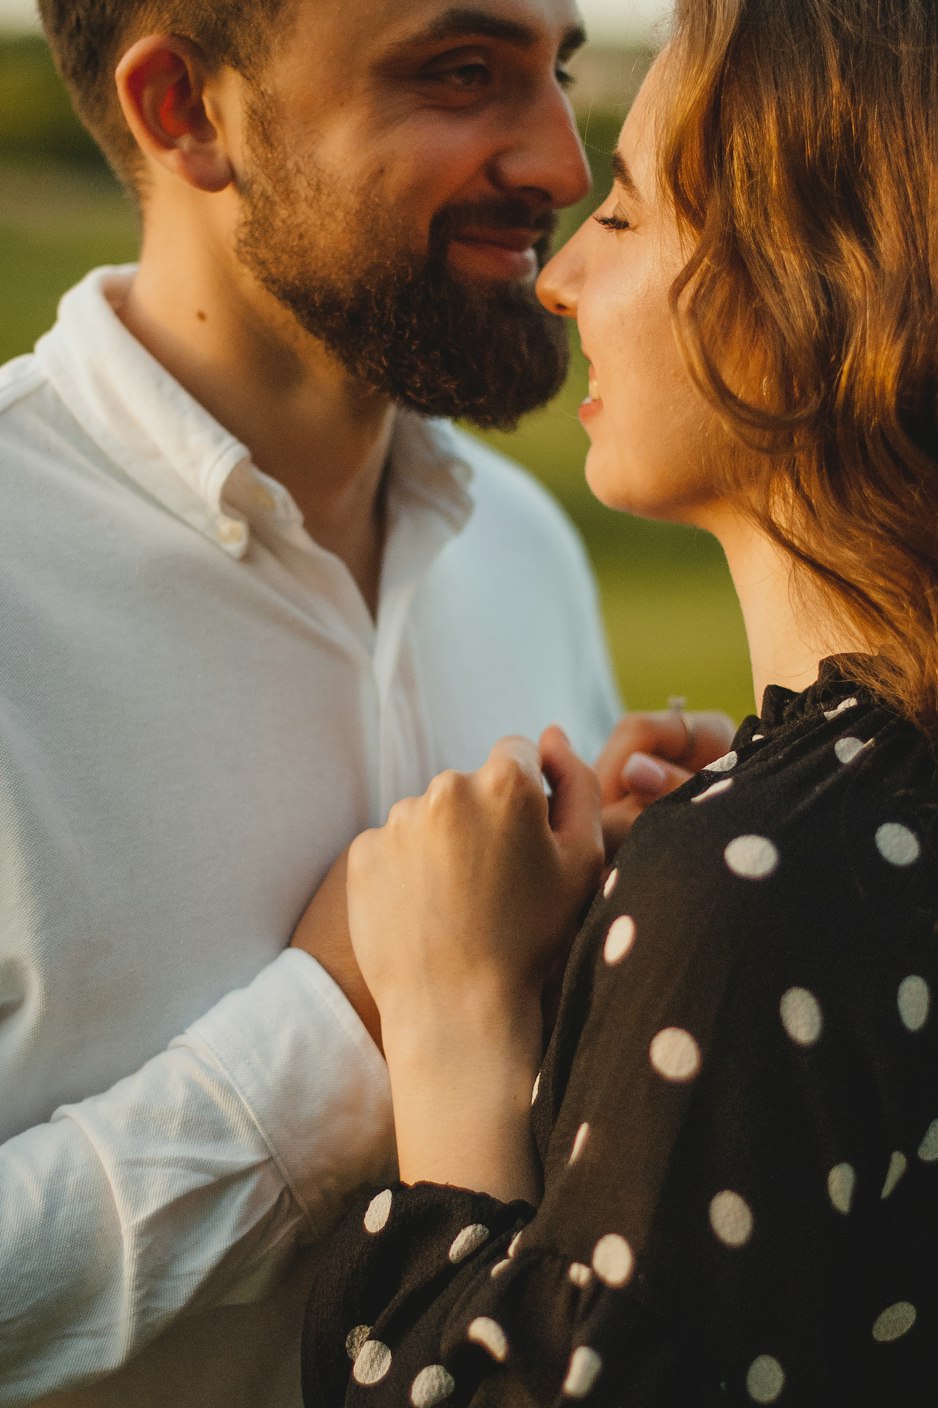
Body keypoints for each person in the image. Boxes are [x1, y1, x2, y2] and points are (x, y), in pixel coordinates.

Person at [0, 1, 734, 1405]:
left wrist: (621, 930)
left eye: (557, 70)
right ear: (185, 113)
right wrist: (341, 1023)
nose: (560, 163)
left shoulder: (524, 547)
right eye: (462, 75)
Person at [301, 0, 938, 1403]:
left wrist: (456, 1014)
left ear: (813, 280)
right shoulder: (917, 804)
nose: (558, 279)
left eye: (622, 216)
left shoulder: (765, 888)